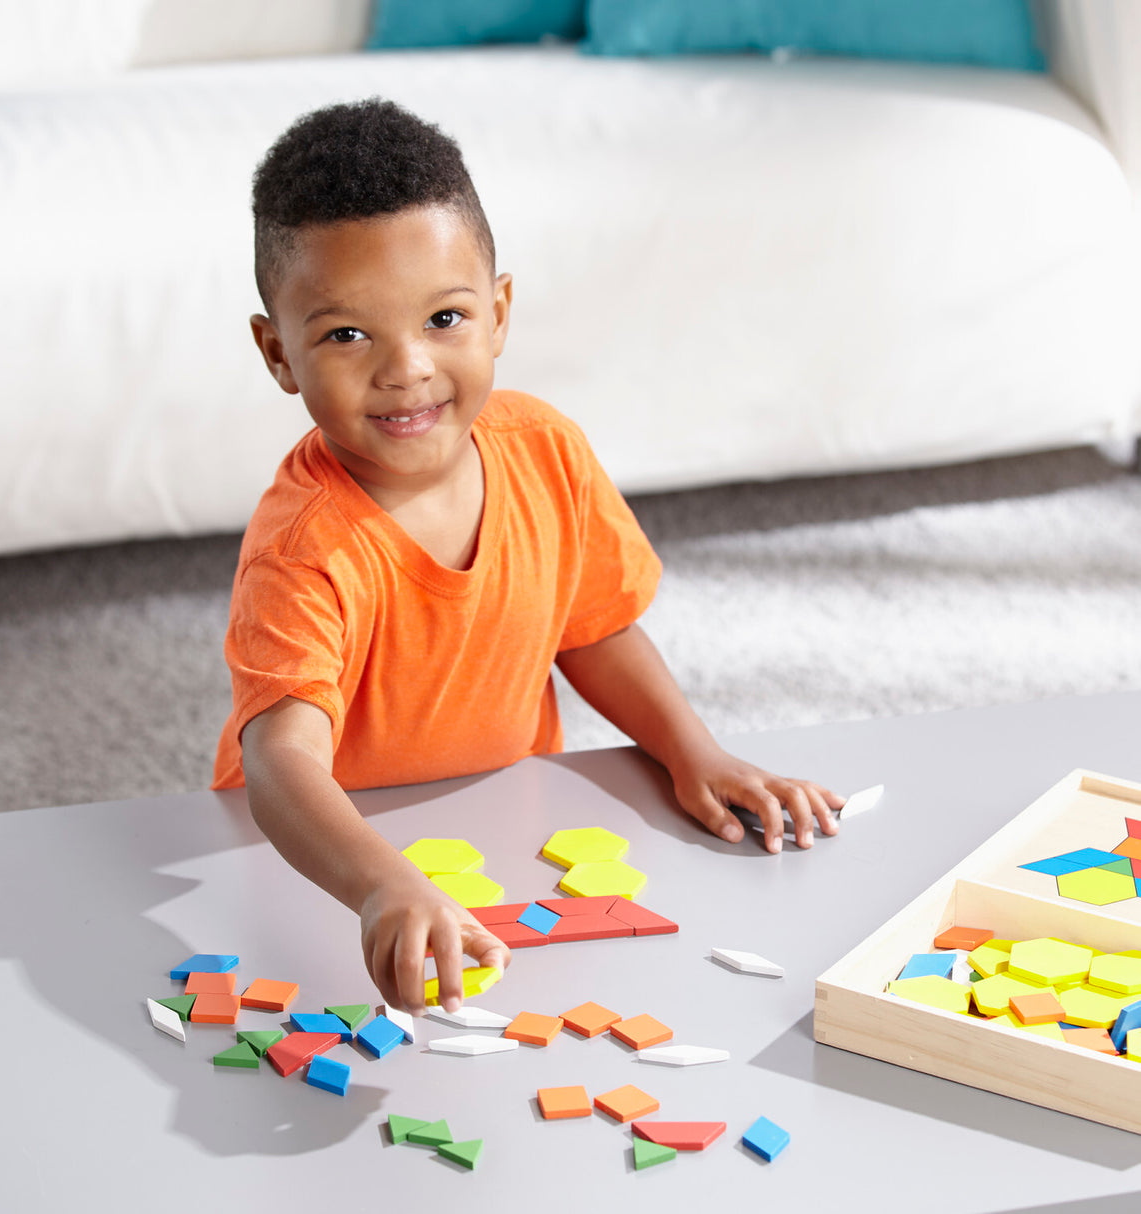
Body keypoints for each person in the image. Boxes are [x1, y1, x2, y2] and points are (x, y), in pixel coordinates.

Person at [212, 97, 843, 1016]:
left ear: (499, 313)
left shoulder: (544, 449)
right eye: (347, 335)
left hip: (494, 826)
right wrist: (380, 884)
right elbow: (280, 762)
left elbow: (591, 629)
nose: (407, 368)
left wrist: (691, 751)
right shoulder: (305, 549)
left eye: (444, 318)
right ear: (278, 353)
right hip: (325, 862)